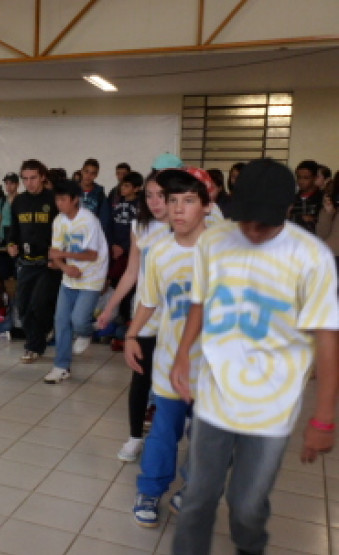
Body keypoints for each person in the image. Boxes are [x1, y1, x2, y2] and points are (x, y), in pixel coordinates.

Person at [170, 158, 339, 555]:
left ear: (287, 210)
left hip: (272, 406)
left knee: (245, 507)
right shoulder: (214, 241)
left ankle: (250, 547)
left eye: (261, 223)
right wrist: (182, 356)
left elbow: (328, 339)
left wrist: (324, 418)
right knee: (197, 499)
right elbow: (200, 302)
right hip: (215, 396)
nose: (250, 230)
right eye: (244, 219)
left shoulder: (310, 257)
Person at [125, 169, 209, 528]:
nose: (177, 209)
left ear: (207, 207)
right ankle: (151, 490)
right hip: (170, 361)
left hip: (214, 368)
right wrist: (131, 335)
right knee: (162, 432)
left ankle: (192, 489)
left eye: (188, 200)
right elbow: (149, 301)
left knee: (211, 439)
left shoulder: (224, 250)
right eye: (172, 200)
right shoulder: (158, 251)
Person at [95, 172, 171, 463]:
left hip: (176, 316)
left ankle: (172, 435)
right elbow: (131, 272)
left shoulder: (186, 228)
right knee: (141, 376)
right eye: (149, 195)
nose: (154, 202)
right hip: (144, 314)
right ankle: (135, 437)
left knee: (172, 380)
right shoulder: (141, 226)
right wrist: (111, 305)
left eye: (160, 195)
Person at [46, 178, 109, 384]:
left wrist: (62, 255)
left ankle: (87, 332)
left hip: (92, 277)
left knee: (79, 320)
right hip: (70, 278)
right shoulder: (58, 221)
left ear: (75, 200)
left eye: (63, 199)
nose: (59, 203)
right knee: (61, 321)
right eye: (57, 199)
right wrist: (65, 267)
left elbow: (91, 254)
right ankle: (61, 366)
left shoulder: (88, 220)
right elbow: (54, 254)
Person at [8, 159, 62, 364]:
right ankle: (36, 339)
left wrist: (57, 254)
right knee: (22, 307)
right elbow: (14, 229)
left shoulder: (54, 200)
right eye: (25, 179)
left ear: (42, 177)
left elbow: (63, 230)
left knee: (39, 304)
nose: (29, 183)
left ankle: (34, 345)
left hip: (48, 265)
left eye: (33, 178)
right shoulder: (19, 201)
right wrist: (11, 244)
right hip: (26, 263)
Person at [79, 158, 112, 240]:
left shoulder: (100, 194)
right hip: (73, 235)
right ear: (81, 171)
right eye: (86, 171)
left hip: (92, 237)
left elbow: (104, 219)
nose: (88, 176)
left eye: (92, 173)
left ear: (96, 175)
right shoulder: (71, 191)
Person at [289, 159, 323, 234]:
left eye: (306, 178)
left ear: (315, 178)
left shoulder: (323, 200)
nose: (301, 181)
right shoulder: (291, 199)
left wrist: (313, 220)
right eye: (298, 177)